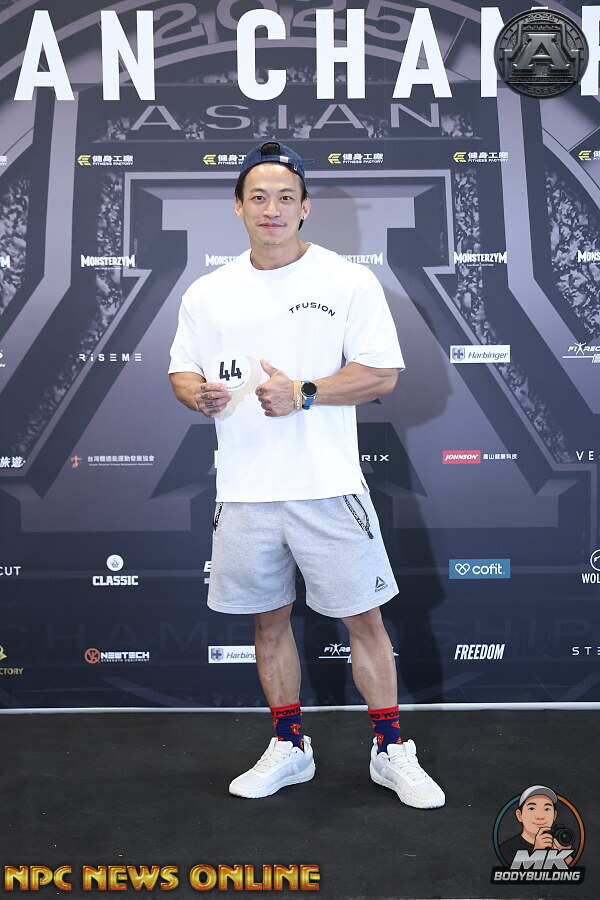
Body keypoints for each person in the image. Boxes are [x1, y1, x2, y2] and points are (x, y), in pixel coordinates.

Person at [168, 140, 445, 808]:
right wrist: (198, 395)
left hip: (328, 487)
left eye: (285, 197)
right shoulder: (208, 292)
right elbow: (182, 371)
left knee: (365, 622)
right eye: (258, 197)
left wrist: (305, 392)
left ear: (305, 207)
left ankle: (390, 749)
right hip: (245, 493)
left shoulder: (347, 281)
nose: (272, 208)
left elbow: (381, 374)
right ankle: (290, 745)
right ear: (238, 207)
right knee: (269, 626)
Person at [500, 786, 575, 865]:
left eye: (547, 809)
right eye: (532, 808)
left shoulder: (559, 843)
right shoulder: (506, 849)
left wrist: (565, 854)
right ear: (519, 815)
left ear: (554, 816)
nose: (540, 816)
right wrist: (537, 852)